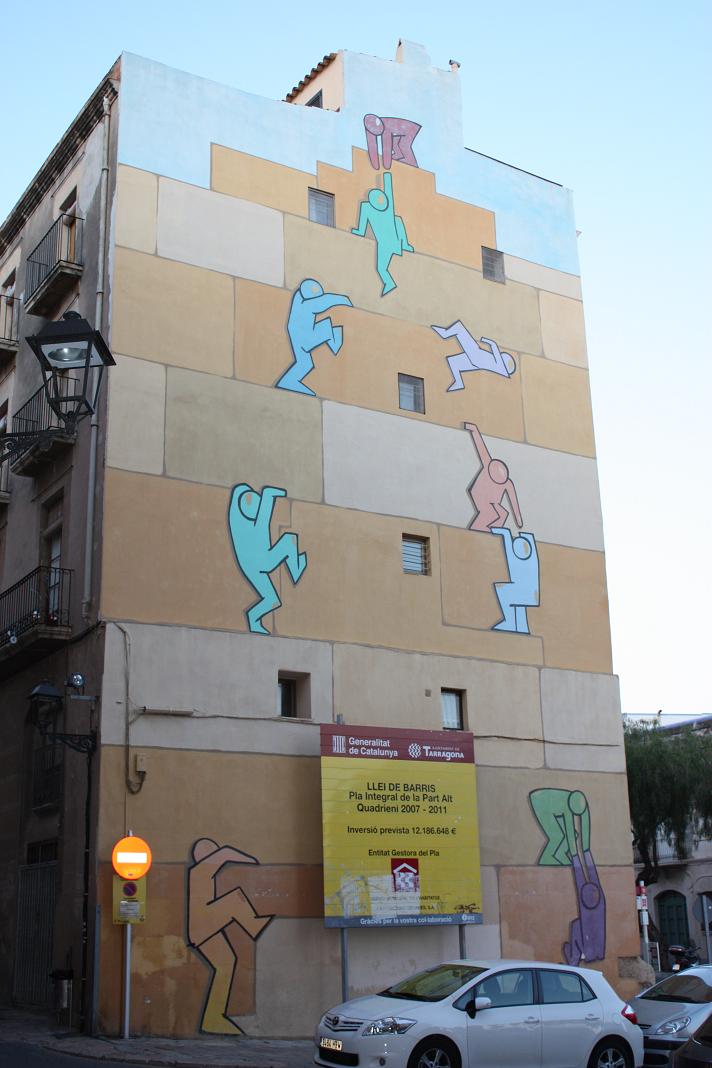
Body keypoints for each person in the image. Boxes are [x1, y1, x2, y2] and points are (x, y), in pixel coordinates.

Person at [187, 839, 273, 1033]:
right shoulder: (200, 870)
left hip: (203, 929)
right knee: (235, 899)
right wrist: (252, 860)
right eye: (212, 850)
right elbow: (225, 853)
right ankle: (255, 925)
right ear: (204, 855)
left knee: (226, 963)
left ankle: (212, 1018)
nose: (215, 853)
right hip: (203, 922)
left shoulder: (201, 872)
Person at [228, 484, 307, 635]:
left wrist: (269, 496)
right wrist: (269, 495)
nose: (256, 508)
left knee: (272, 600)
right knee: (289, 540)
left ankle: (253, 617)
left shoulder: (240, 523)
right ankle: (297, 569)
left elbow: (263, 512)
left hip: (253, 565)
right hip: (261, 561)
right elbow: (264, 514)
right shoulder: (250, 526)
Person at [275, 279, 352, 396]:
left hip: (298, 335)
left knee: (305, 363)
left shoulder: (299, 297)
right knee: (327, 328)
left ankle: (288, 381)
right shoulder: (307, 304)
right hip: (304, 335)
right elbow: (325, 301)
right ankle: (335, 343)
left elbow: (322, 300)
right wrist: (344, 300)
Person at [352, 172, 413, 295]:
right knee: (381, 268)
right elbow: (362, 227)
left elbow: (389, 190)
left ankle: (389, 282)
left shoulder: (381, 207)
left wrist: (387, 176)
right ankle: (389, 282)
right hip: (389, 244)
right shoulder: (367, 207)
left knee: (381, 268)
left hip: (391, 243)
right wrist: (359, 232)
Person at [464, 422, 522, 532]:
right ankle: (477, 527)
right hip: (478, 494)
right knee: (490, 513)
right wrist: (473, 429)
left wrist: (518, 519)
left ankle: (493, 530)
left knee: (503, 513)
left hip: (493, 501)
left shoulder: (508, 483)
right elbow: (480, 446)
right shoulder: (487, 463)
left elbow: (514, 501)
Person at [432, 322, 516, 391]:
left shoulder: (499, 364)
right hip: (477, 363)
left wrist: (484, 339)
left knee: (459, 328)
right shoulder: (499, 368)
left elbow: (493, 345)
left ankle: (445, 333)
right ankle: (459, 383)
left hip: (476, 355)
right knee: (453, 361)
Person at [491, 527, 539, 634]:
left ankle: (509, 621)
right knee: (518, 604)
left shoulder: (527, 560)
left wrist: (504, 533)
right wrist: (504, 533)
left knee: (502, 589)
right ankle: (522, 627)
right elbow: (508, 545)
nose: (518, 549)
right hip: (527, 592)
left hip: (528, 592)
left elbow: (509, 545)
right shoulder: (522, 559)